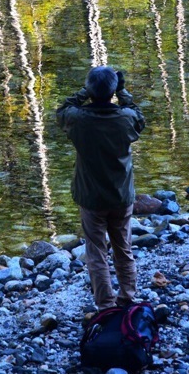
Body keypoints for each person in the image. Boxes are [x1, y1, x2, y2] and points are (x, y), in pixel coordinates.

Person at [55, 65, 145, 311]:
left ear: (90, 90)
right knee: (122, 247)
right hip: (121, 195)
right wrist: (123, 91)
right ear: (113, 90)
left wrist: (84, 92)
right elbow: (138, 116)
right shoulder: (125, 118)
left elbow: (62, 110)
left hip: (92, 197)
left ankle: (106, 304)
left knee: (96, 251)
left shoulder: (78, 119)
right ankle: (127, 296)